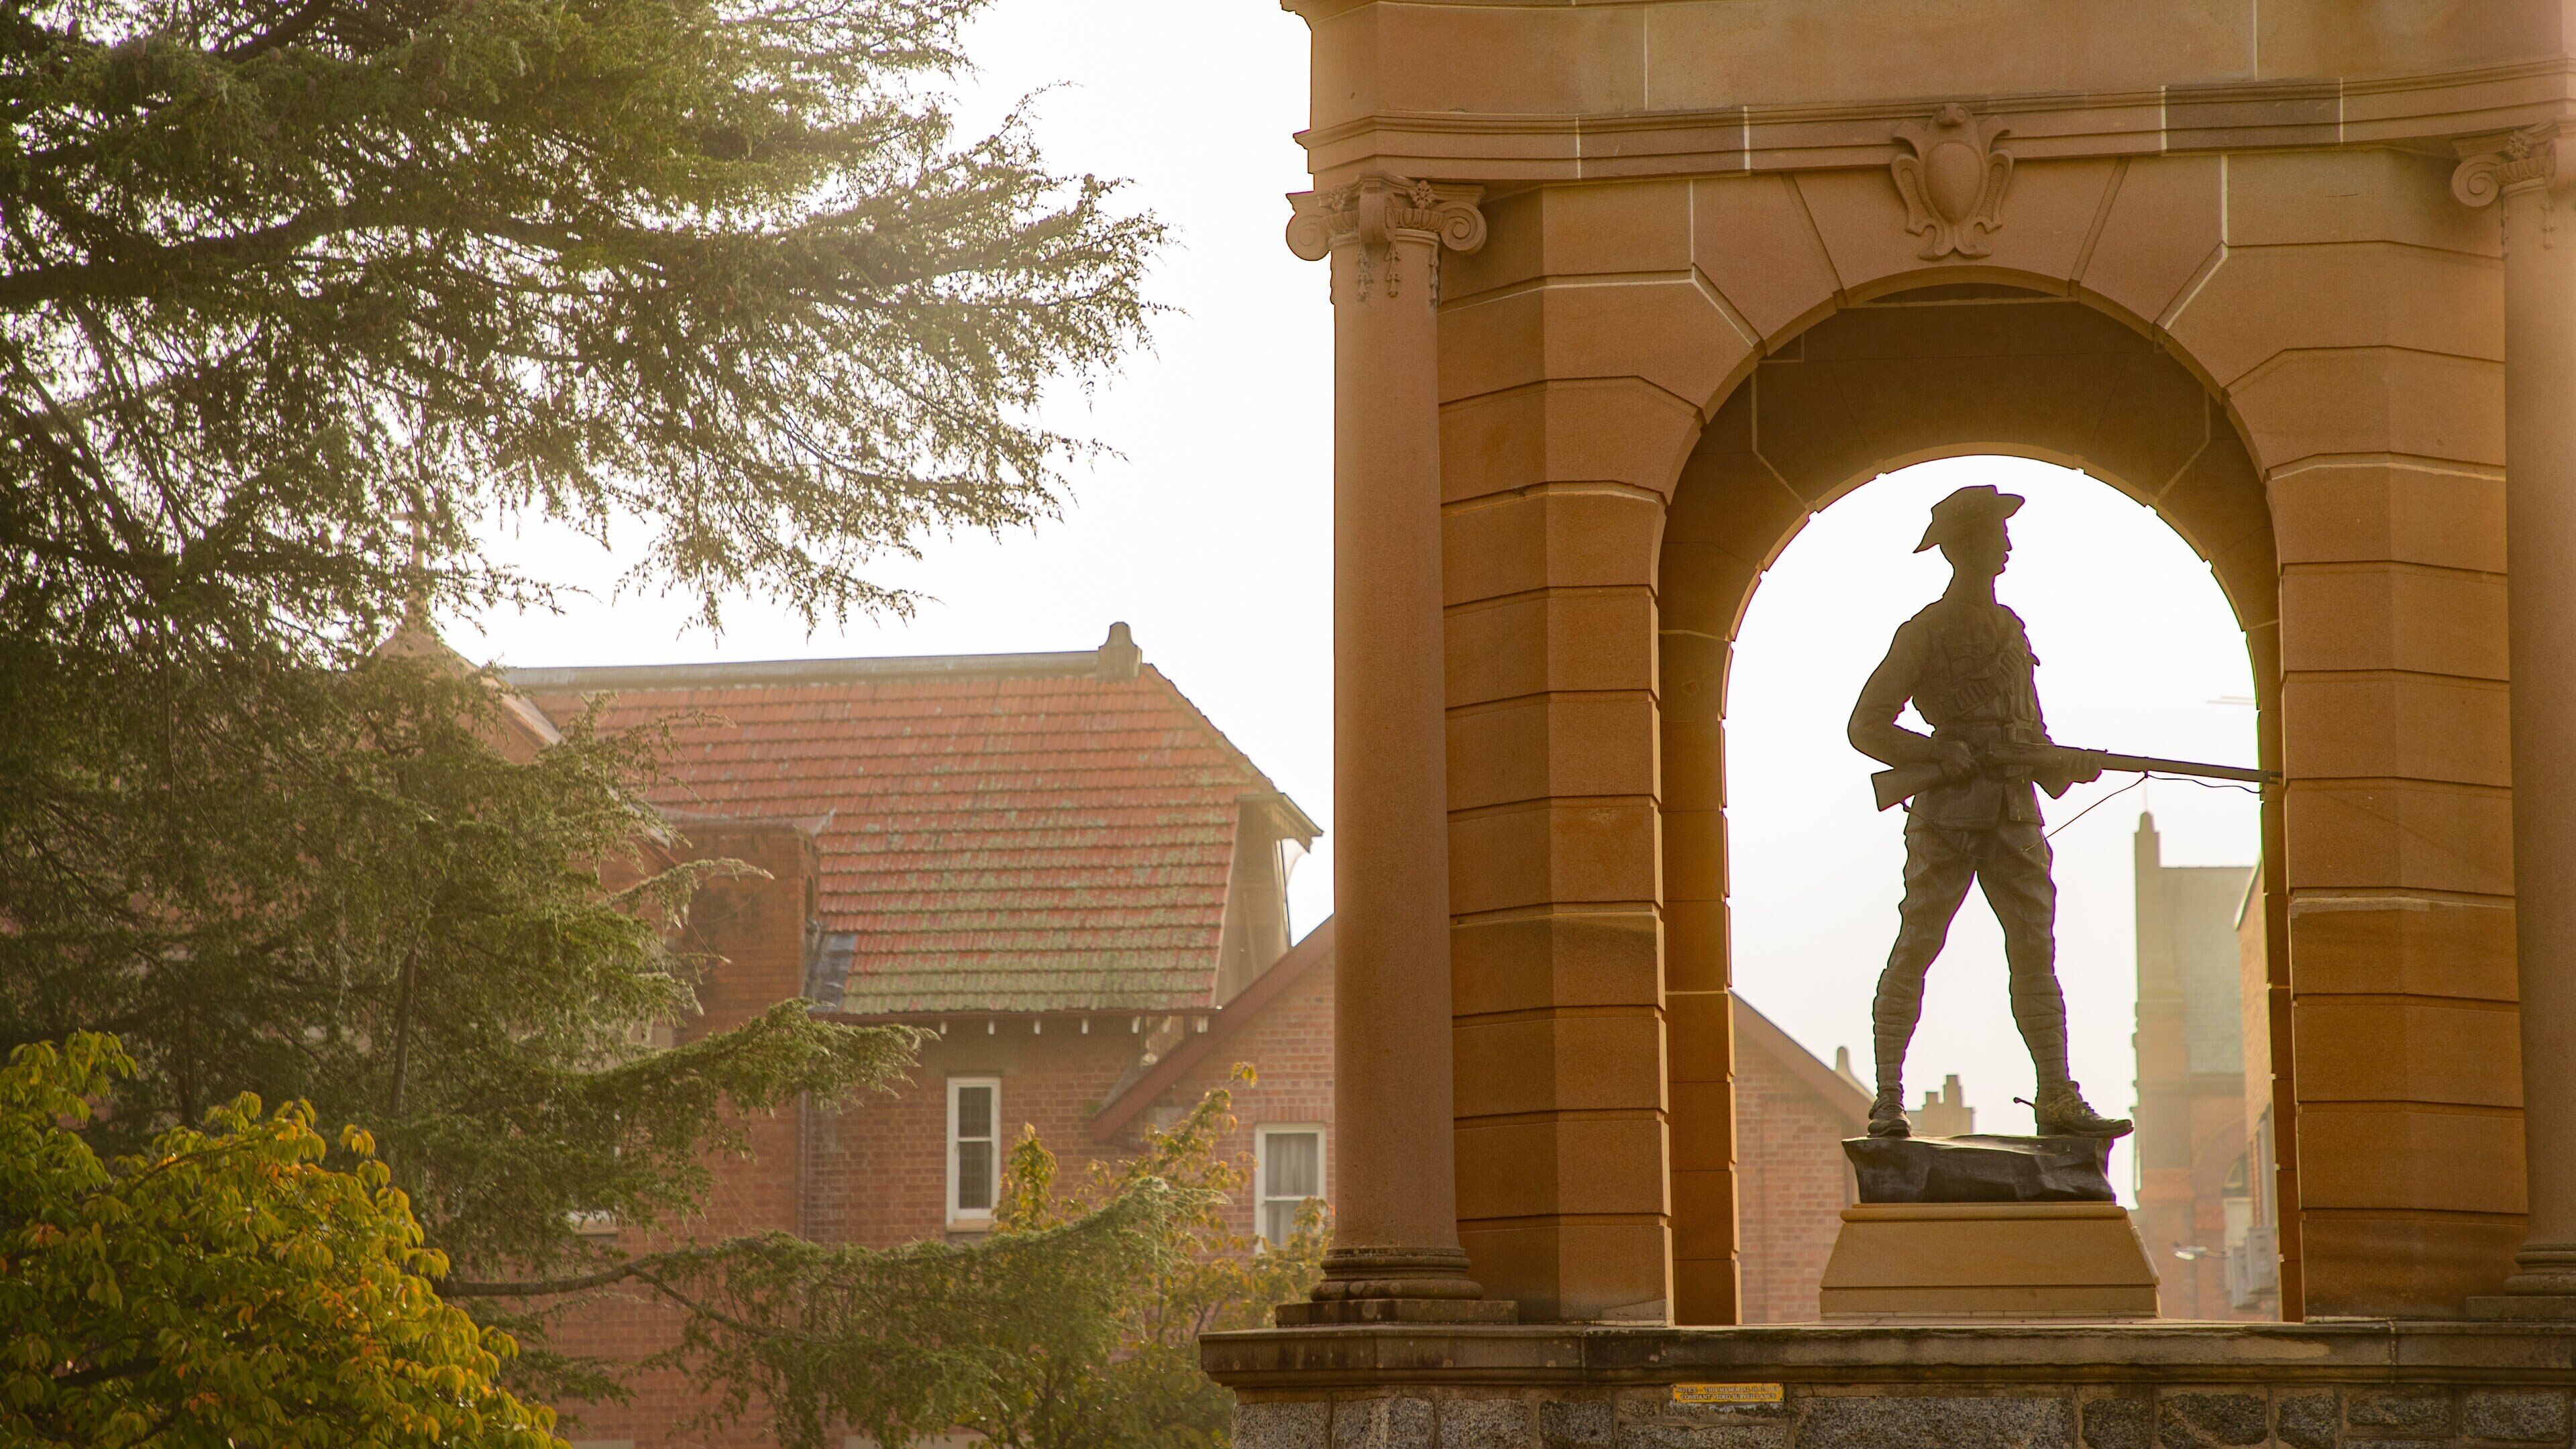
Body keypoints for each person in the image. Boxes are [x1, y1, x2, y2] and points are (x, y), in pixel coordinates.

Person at [1847, 484, 2131, 1141]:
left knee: (2035, 953)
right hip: (1947, 816)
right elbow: (1866, 726)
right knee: (1917, 946)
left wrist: (2065, 764)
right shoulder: (1923, 633)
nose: (2007, 543)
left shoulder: (2011, 632)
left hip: (2012, 816)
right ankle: (1888, 1099)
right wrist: (1938, 750)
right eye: (1995, 533)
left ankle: (2057, 1095)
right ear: (1964, 546)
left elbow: (2028, 734)